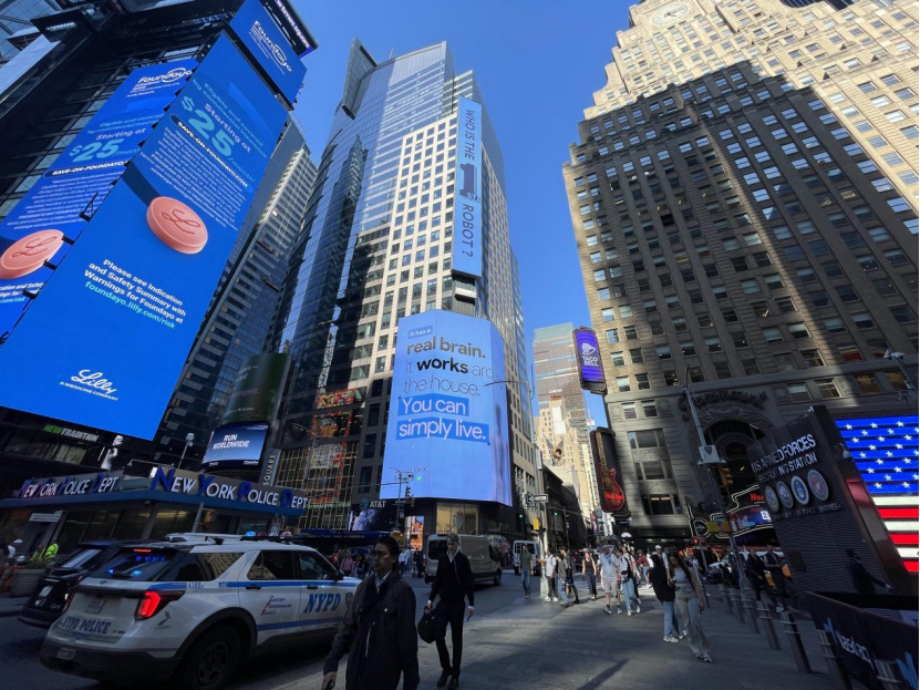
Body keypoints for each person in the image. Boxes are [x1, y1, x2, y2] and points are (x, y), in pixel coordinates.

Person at [322, 536, 419, 690]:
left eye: (381, 554)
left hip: (383, 674)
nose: (375, 558)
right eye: (374, 554)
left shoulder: (402, 591)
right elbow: (347, 626)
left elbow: (407, 642)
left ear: (393, 558)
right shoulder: (364, 586)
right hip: (356, 670)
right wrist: (331, 665)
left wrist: (410, 682)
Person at [427, 533, 475, 689]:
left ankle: (455, 675)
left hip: (457, 605)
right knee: (438, 635)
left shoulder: (462, 560)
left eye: (452, 544)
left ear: (457, 544)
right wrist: (430, 599)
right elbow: (437, 580)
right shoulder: (442, 559)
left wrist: (471, 604)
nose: (450, 547)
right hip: (443, 604)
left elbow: (468, 582)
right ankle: (446, 668)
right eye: (448, 544)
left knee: (456, 640)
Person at [669, 552, 712, 662]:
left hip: (691, 594)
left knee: (696, 622)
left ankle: (705, 650)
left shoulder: (688, 569)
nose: (673, 562)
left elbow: (696, 584)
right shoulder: (670, 570)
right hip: (679, 595)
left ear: (679, 559)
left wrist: (701, 600)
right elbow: (669, 584)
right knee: (687, 623)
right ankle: (696, 649)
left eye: (674, 560)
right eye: (671, 560)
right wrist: (671, 581)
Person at [650, 552, 679, 643]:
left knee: (670, 613)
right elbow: (669, 581)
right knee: (669, 614)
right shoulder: (664, 570)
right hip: (667, 593)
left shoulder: (653, 570)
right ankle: (668, 635)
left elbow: (651, 580)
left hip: (660, 594)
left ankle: (680, 631)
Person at [763, 545, 788, 612]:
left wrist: (780, 565)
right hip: (774, 574)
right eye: (769, 548)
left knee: (787, 588)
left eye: (771, 548)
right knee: (780, 590)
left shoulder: (776, 555)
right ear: (767, 549)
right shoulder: (766, 556)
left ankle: (788, 605)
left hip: (781, 573)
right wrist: (775, 566)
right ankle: (784, 606)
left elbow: (780, 562)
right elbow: (766, 565)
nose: (771, 549)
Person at [618, 547, 640, 615]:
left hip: (630, 577)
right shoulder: (618, 560)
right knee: (626, 595)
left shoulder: (630, 557)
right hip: (623, 578)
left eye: (624, 549)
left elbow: (634, 565)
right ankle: (629, 610)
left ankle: (636, 604)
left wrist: (637, 574)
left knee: (631, 594)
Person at [598, 544, 618, 615]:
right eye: (603, 549)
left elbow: (617, 565)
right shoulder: (602, 557)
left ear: (609, 549)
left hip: (613, 577)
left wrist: (618, 575)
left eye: (605, 549)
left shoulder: (613, 557)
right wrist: (599, 574)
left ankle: (618, 606)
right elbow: (600, 565)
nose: (604, 550)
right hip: (605, 577)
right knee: (607, 592)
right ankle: (608, 607)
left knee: (615, 593)